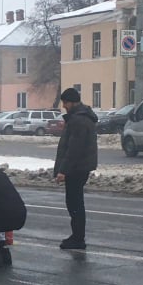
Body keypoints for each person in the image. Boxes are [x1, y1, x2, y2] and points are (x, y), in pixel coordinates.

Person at [54, 88, 98, 251]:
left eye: (65, 103)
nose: (64, 106)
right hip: (80, 167)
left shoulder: (78, 120)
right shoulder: (82, 117)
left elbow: (74, 149)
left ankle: (78, 238)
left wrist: (63, 170)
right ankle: (77, 236)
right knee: (75, 202)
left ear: (72, 102)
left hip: (76, 168)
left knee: (74, 204)